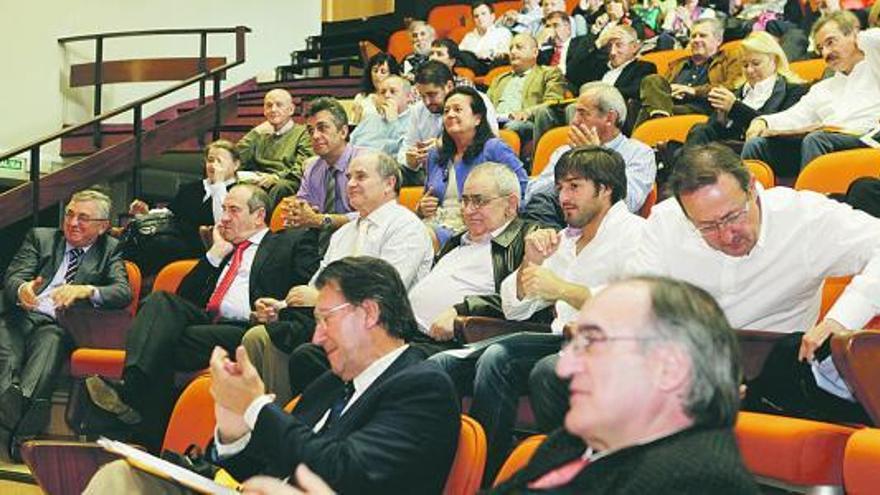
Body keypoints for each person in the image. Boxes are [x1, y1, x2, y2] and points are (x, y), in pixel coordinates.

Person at [530, 143, 880, 431]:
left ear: (752, 189)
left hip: (777, 367)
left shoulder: (804, 217)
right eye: (708, 227)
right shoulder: (666, 223)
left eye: (733, 216)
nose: (728, 235)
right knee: (553, 372)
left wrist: (843, 318)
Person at [83, 257, 461, 495]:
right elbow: (263, 460)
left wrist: (257, 407)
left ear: (369, 314)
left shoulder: (422, 386)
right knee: (123, 478)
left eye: (325, 319)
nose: (316, 337)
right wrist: (233, 429)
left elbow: (343, 471)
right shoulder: (331, 383)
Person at [433, 146, 645, 483]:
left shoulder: (637, 234)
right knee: (440, 366)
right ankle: (443, 475)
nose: (563, 196)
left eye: (574, 186)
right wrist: (531, 262)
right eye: (560, 187)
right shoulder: (562, 239)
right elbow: (516, 308)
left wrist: (560, 288)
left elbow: (637, 306)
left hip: (609, 344)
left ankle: (489, 476)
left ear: (605, 189)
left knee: (500, 358)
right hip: (558, 340)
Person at [84, 184, 319, 451]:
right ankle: (138, 403)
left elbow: (306, 292)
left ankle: (135, 411)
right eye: (223, 210)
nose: (225, 217)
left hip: (250, 326)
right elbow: (185, 296)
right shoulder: (224, 249)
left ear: (259, 215)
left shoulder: (290, 242)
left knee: (164, 343)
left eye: (234, 210)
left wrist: (281, 308)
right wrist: (215, 254)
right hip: (208, 322)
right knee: (160, 300)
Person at [491, 276, 759, 494]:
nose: (564, 366)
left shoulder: (698, 483)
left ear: (668, 368)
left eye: (591, 342)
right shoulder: (576, 441)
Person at [242, 152, 434, 404]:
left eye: (361, 177)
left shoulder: (405, 227)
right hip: (335, 323)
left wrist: (319, 298)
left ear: (389, 183)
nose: (350, 183)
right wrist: (282, 307)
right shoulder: (343, 233)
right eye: (349, 177)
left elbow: (383, 293)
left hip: (379, 331)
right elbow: (317, 284)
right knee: (258, 337)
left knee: (303, 352)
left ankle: (295, 425)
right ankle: (268, 422)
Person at [0, 189, 132, 459]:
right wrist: (23, 289)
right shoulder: (41, 238)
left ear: (103, 227)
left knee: (50, 346)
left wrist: (87, 290)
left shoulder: (111, 250)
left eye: (83, 218)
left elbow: (122, 292)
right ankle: (20, 430)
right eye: (70, 214)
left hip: (59, 324)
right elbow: (13, 278)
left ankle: (12, 420)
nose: (72, 223)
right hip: (20, 315)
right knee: (7, 351)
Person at [410, 162, 540, 341]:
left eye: (479, 201)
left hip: (452, 343)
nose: (468, 210)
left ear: (510, 205)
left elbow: (521, 298)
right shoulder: (457, 241)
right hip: (405, 332)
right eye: (465, 200)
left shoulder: (529, 240)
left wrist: (462, 309)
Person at [742, 11, 880, 176]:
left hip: (866, 141)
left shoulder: (875, 66)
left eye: (831, 42)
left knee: (816, 139)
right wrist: (763, 121)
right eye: (820, 48)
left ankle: (815, 199)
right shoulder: (822, 88)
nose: (826, 53)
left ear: (853, 35)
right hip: (824, 144)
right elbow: (795, 116)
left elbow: (875, 39)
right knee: (756, 145)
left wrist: (859, 37)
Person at [418, 86, 528, 248]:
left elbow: (521, 189)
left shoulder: (493, 148)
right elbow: (427, 197)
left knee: (417, 236)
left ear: (477, 118)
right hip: (434, 222)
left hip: (472, 228)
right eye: (446, 111)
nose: (450, 115)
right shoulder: (436, 155)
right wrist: (422, 207)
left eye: (457, 109)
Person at [525, 82, 656, 213]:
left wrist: (596, 159)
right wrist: (565, 175)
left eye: (583, 113)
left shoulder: (640, 153)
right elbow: (531, 194)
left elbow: (630, 203)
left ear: (610, 117)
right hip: (554, 221)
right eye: (575, 113)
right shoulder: (565, 151)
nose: (574, 121)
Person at [125, 139, 240, 275]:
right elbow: (170, 214)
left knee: (158, 244)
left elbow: (223, 222)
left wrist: (219, 184)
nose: (213, 165)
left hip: (203, 248)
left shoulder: (238, 192)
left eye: (219, 161)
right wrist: (146, 213)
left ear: (235, 165)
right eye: (210, 160)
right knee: (136, 237)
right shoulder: (191, 188)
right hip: (175, 241)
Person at [685, 31, 807, 146]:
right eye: (745, 65)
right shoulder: (737, 92)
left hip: (762, 150)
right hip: (725, 150)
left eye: (756, 63)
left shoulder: (794, 91)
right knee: (700, 130)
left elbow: (777, 128)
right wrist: (721, 120)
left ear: (774, 60)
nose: (749, 70)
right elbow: (715, 133)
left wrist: (735, 107)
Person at [284, 97, 367, 250]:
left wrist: (320, 220)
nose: (315, 136)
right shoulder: (312, 168)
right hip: (319, 245)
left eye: (322, 128)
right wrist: (298, 213)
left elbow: (369, 217)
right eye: (311, 131)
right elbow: (303, 207)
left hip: (361, 243)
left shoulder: (365, 163)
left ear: (343, 131)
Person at [398, 61, 499, 184]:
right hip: (429, 174)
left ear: (449, 86)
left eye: (432, 95)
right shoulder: (418, 110)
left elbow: (488, 142)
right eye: (422, 96)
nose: (427, 102)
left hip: (471, 170)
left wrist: (443, 145)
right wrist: (411, 160)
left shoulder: (477, 100)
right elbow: (406, 149)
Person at [636, 18, 744, 124]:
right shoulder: (677, 64)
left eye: (702, 36)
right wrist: (670, 92)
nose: (696, 40)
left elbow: (731, 87)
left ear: (718, 40)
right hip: (671, 104)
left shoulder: (729, 59)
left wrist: (693, 91)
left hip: (701, 108)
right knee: (652, 80)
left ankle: (656, 124)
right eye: (693, 36)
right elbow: (660, 92)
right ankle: (661, 119)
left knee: (646, 111)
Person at [236, 89, 314, 206]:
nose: (273, 109)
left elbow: (302, 166)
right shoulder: (259, 134)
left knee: (279, 188)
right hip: (259, 179)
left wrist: (276, 177)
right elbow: (236, 158)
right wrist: (255, 133)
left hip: (287, 181)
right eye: (269, 105)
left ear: (291, 109)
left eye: (279, 105)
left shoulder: (303, 133)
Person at [487, 33, 565, 147]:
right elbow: (486, 105)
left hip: (526, 121)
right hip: (495, 121)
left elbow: (553, 103)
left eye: (519, 47)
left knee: (513, 127)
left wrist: (527, 113)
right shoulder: (499, 79)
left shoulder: (549, 73)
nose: (513, 52)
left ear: (535, 52)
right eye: (511, 48)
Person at [349, 76, 413, 159]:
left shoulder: (414, 120)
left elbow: (403, 154)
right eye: (382, 92)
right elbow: (352, 143)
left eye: (392, 92)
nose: (387, 95)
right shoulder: (371, 117)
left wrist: (393, 122)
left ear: (408, 96)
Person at [459, 1, 514, 75]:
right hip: (474, 66)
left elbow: (504, 54)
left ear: (492, 17)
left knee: (502, 59)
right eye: (476, 16)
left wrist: (488, 54)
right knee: (460, 55)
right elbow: (461, 55)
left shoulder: (503, 32)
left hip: (493, 65)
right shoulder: (469, 37)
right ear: (473, 20)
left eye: (483, 14)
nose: (480, 18)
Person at [351, 53, 401, 125]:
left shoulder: (399, 97)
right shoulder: (361, 98)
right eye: (375, 71)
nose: (377, 75)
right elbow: (354, 126)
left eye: (383, 72)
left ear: (392, 74)